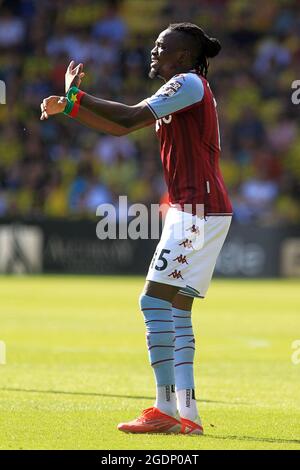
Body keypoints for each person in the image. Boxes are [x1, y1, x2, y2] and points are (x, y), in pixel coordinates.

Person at [40, 22, 233, 435]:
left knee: (152, 303)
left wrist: (78, 94)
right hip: (205, 208)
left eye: (161, 46)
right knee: (177, 310)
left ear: (182, 55)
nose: (153, 51)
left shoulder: (187, 83)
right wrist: (72, 108)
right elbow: (121, 126)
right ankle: (188, 415)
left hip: (196, 209)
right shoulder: (187, 88)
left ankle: (164, 408)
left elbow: (128, 117)